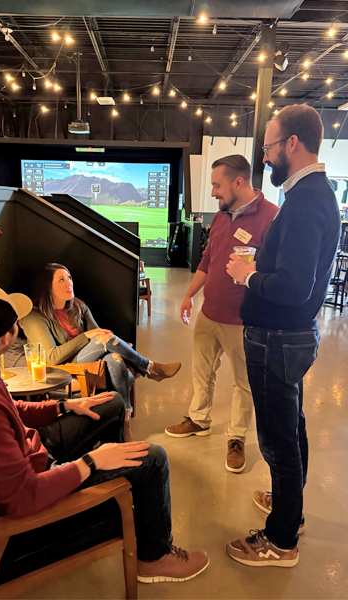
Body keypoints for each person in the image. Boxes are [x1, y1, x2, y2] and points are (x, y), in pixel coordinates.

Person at [0, 286, 209, 584]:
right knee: (154, 459)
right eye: (15, 324)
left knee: (109, 402)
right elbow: (23, 496)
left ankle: (125, 480)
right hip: (36, 484)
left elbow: (10, 408)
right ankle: (154, 557)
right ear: (4, 338)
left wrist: (65, 405)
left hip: (32, 453)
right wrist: (91, 462)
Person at [225, 104, 340, 566]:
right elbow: (298, 274)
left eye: (269, 147)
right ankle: (290, 509)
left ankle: (281, 539)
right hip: (286, 336)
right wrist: (259, 265)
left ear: (292, 143)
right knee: (291, 427)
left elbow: (294, 288)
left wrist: (247, 275)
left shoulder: (307, 199)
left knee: (277, 440)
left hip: (278, 337)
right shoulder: (311, 194)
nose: (266, 157)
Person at [165, 155, 278, 473]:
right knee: (203, 374)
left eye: (217, 185)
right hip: (208, 315)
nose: (213, 192)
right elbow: (207, 261)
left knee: (244, 383)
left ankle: (237, 438)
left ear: (238, 182)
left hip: (244, 322)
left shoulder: (272, 218)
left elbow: (274, 274)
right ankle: (199, 420)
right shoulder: (221, 217)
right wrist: (189, 295)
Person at [21, 263, 181, 441]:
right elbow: (52, 357)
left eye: (69, 278)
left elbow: (102, 337)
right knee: (102, 341)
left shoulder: (78, 306)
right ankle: (149, 367)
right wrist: (87, 336)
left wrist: (98, 339)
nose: (69, 283)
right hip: (66, 367)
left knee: (114, 358)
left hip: (90, 361)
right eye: (61, 280)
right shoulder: (34, 317)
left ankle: (124, 420)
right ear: (47, 287)